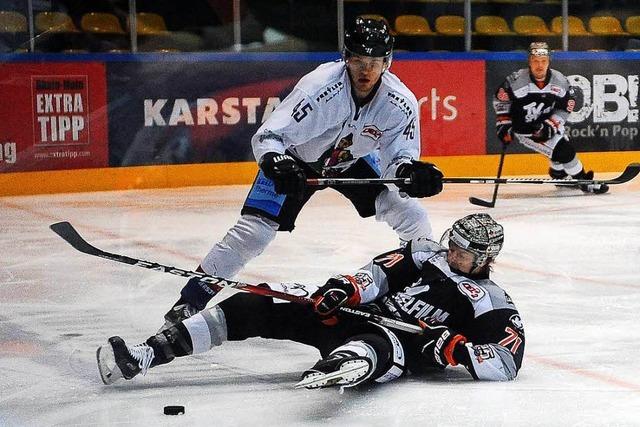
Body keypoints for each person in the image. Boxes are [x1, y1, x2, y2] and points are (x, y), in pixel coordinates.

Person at [158, 17, 444, 330]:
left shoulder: (399, 103)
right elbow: (268, 137)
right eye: (359, 61)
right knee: (253, 232)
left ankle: (426, 290)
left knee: (412, 215)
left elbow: (398, 159)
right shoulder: (319, 88)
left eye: (374, 63)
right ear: (346, 57)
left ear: (387, 63)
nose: (366, 71)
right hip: (297, 159)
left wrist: (410, 173)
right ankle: (190, 300)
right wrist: (276, 161)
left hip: (350, 162)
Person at [97, 213, 524, 388]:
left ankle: (338, 369)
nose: (453, 254)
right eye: (454, 245)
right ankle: (146, 353)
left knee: (367, 350)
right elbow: (377, 275)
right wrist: (345, 288)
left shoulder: (492, 301)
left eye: (464, 253)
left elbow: (506, 362)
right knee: (252, 306)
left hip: (399, 345)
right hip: (357, 314)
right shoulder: (424, 251)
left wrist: (458, 349)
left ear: (484, 259)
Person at [493, 41, 608, 194]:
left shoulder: (559, 81)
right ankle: (585, 182)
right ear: (529, 62)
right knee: (565, 151)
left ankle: (559, 175)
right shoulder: (516, 81)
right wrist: (504, 124)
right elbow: (501, 100)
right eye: (535, 61)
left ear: (549, 62)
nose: (539, 66)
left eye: (543, 61)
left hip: (548, 122)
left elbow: (566, 105)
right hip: (526, 129)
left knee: (560, 149)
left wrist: (551, 124)